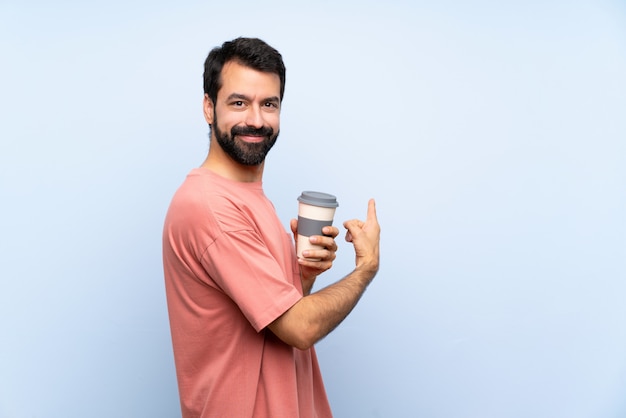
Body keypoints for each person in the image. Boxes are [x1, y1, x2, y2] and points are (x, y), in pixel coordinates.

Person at [162, 37, 380, 418]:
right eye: (239, 102)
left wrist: (303, 275)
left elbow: (271, 320)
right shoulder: (210, 207)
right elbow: (299, 328)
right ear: (208, 108)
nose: (256, 120)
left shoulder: (248, 197)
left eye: (269, 104)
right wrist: (365, 269)